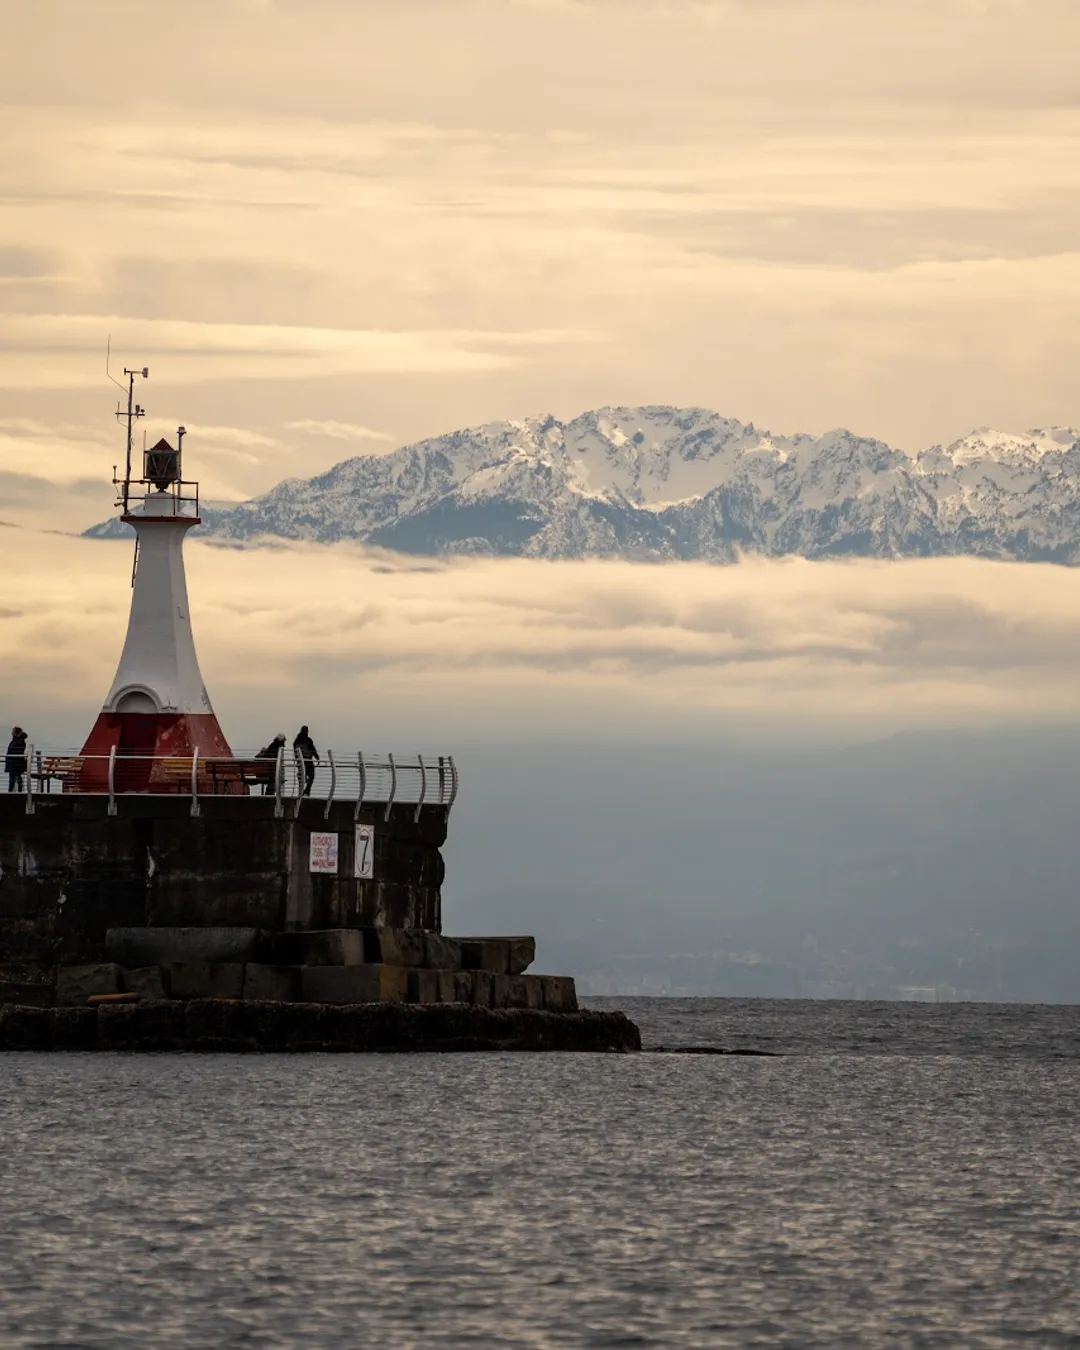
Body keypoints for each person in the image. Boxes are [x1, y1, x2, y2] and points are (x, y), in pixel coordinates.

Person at [293, 725, 319, 797]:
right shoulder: (308, 740)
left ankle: (300, 793)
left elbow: (295, 752)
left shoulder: (296, 741)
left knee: (301, 777)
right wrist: (317, 757)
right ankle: (307, 792)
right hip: (308, 761)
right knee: (311, 776)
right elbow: (313, 750)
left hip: (300, 762)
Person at [5, 726, 28, 793]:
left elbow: (18, 751)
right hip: (14, 763)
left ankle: (13, 791)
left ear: (16, 733)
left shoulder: (19, 741)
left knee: (15, 777)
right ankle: (14, 790)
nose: (12, 733)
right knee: (15, 777)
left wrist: (10, 755)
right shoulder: (18, 740)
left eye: (13, 731)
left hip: (15, 763)